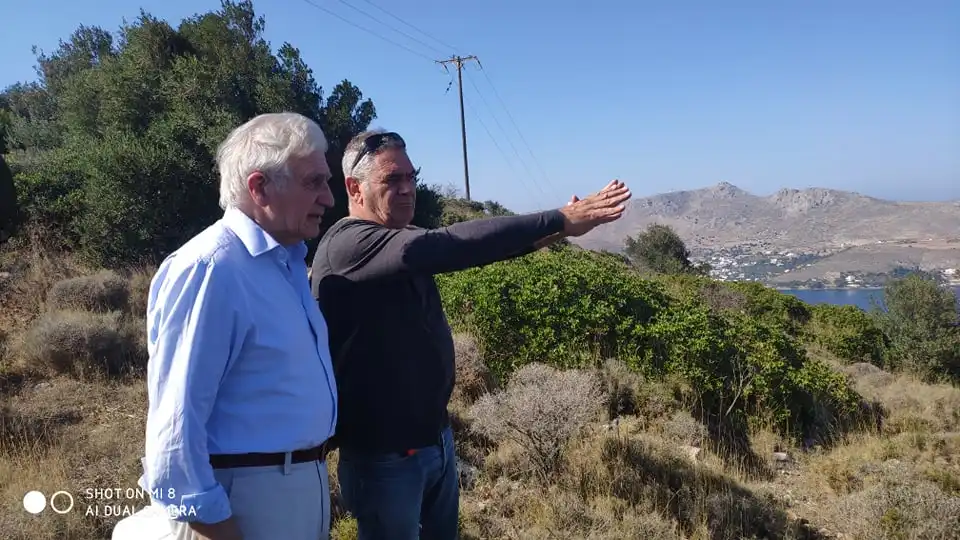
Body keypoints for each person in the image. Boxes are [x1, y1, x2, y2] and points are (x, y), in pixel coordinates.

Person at [309, 129, 632, 539]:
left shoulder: (396, 241)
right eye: (393, 180)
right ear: (354, 187)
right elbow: (450, 245)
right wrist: (558, 218)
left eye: (412, 177)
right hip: (385, 459)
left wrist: (560, 232)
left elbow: (472, 251)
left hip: (433, 441)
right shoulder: (350, 244)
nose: (407, 188)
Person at [138, 112, 339, 540]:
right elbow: (175, 431)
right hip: (242, 506)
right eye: (313, 182)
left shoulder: (285, 263)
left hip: (294, 491)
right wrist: (215, 527)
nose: (329, 199)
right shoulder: (211, 268)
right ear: (259, 186)